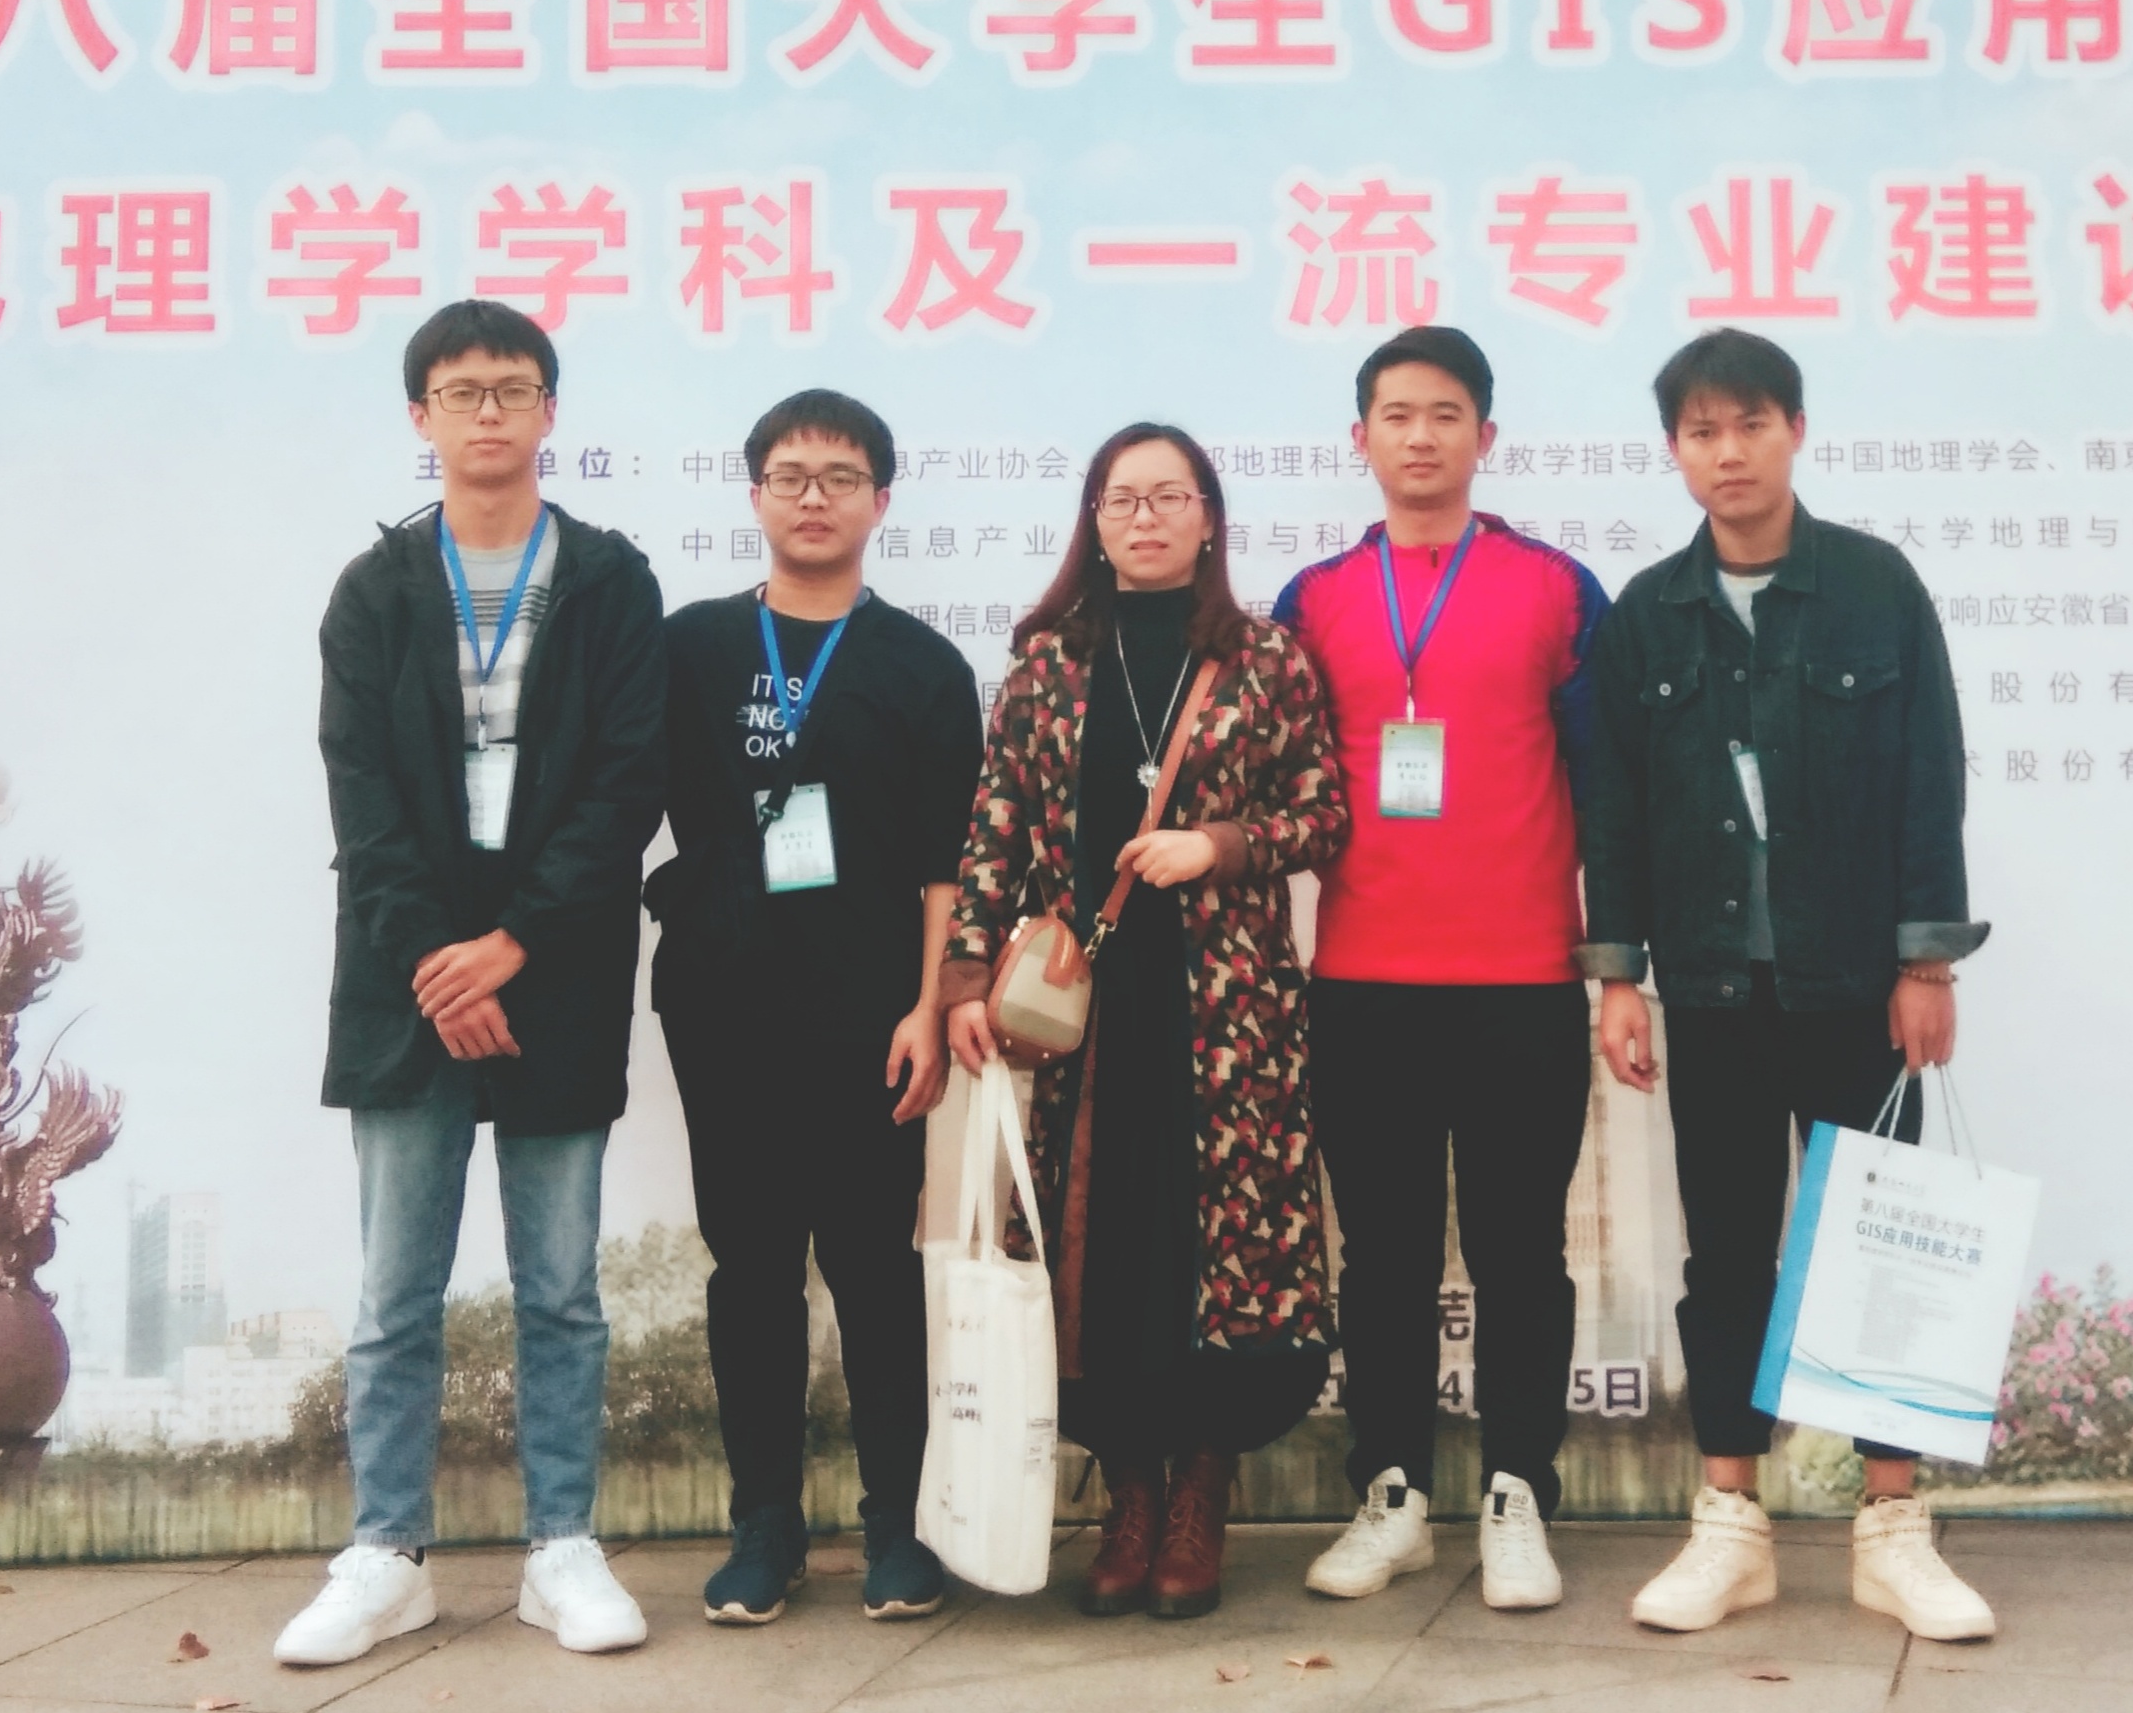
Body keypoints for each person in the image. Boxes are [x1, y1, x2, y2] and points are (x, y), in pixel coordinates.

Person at [1577, 327, 1998, 1645]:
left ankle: (1891, 1525)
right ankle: (1732, 1522)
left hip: (1858, 984)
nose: (1729, 452)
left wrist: (1926, 960)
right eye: (1702, 431)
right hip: (1710, 988)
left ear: (1795, 431)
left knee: (1882, 1243)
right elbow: (1615, 809)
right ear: (1675, 450)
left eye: (1751, 423)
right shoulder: (1648, 612)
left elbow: (1930, 776)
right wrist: (1618, 978)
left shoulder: (1874, 587)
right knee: (1727, 1255)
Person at [278, 300, 670, 1668]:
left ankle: (562, 1545)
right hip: (408, 986)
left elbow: (626, 784)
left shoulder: (611, 581)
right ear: (421, 416)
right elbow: (362, 800)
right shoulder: (375, 590)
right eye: (462, 391)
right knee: (398, 1295)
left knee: (561, 1289)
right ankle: (386, 1553)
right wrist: (438, 966)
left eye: (513, 388)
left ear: (551, 410)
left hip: (553, 975)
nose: (489, 411)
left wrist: (514, 944)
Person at [942, 424, 1347, 1620]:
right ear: (1095, 521)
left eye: (1171, 497)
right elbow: (994, 828)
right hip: (1083, 1014)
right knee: (1101, 1251)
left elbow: (1321, 814)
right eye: (1124, 500)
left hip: (1231, 1012)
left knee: (1220, 1250)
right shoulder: (1049, 665)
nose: (1147, 518)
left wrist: (1219, 845)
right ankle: (1129, 1495)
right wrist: (965, 976)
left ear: (1209, 517)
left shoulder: (1266, 661)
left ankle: (1201, 1492)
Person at [1272, 327, 1606, 1611]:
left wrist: (1618, 962)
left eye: (1447, 413)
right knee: (1385, 1257)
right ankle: (1394, 1495)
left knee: (1523, 1252)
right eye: (1398, 414)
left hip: (1526, 981)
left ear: (1486, 436)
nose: (1421, 436)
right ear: (1359, 436)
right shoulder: (1312, 601)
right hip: (1363, 984)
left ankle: (1519, 1491)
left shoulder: (1559, 590)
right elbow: (1282, 790)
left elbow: (1608, 786)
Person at [650, 390, 982, 1627]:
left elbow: (947, 866)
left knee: (875, 1273)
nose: (814, 496)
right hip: (722, 1006)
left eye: (841, 477)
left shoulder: (922, 667)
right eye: (790, 475)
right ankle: (765, 1529)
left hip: (870, 1017)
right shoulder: (690, 648)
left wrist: (929, 1005)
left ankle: (899, 1526)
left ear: (880, 502)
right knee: (749, 1273)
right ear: (755, 495)